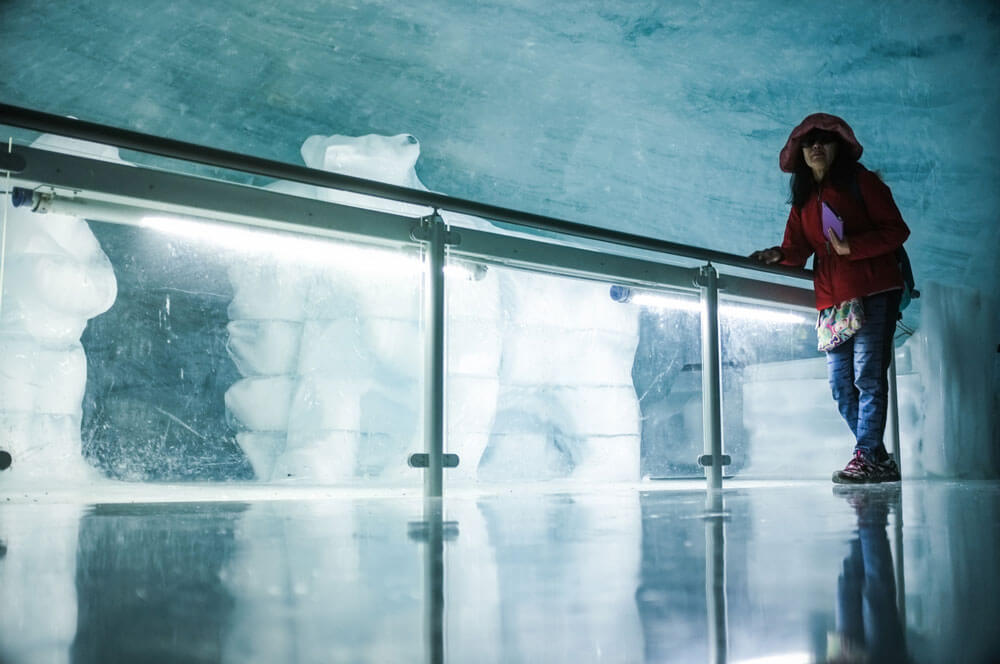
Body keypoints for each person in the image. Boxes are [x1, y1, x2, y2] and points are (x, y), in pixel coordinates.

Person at [750, 113, 909, 484]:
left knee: (868, 377)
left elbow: (897, 231)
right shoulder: (803, 200)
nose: (816, 147)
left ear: (838, 148)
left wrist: (851, 246)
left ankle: (867, 455)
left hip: (873, 290)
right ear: (800, 153)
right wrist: (777, 255)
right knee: (841, 386)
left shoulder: (861, 181)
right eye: (809, 143)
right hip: (832, 301)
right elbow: (797, 248)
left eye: (824, 141)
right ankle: (877, 458)